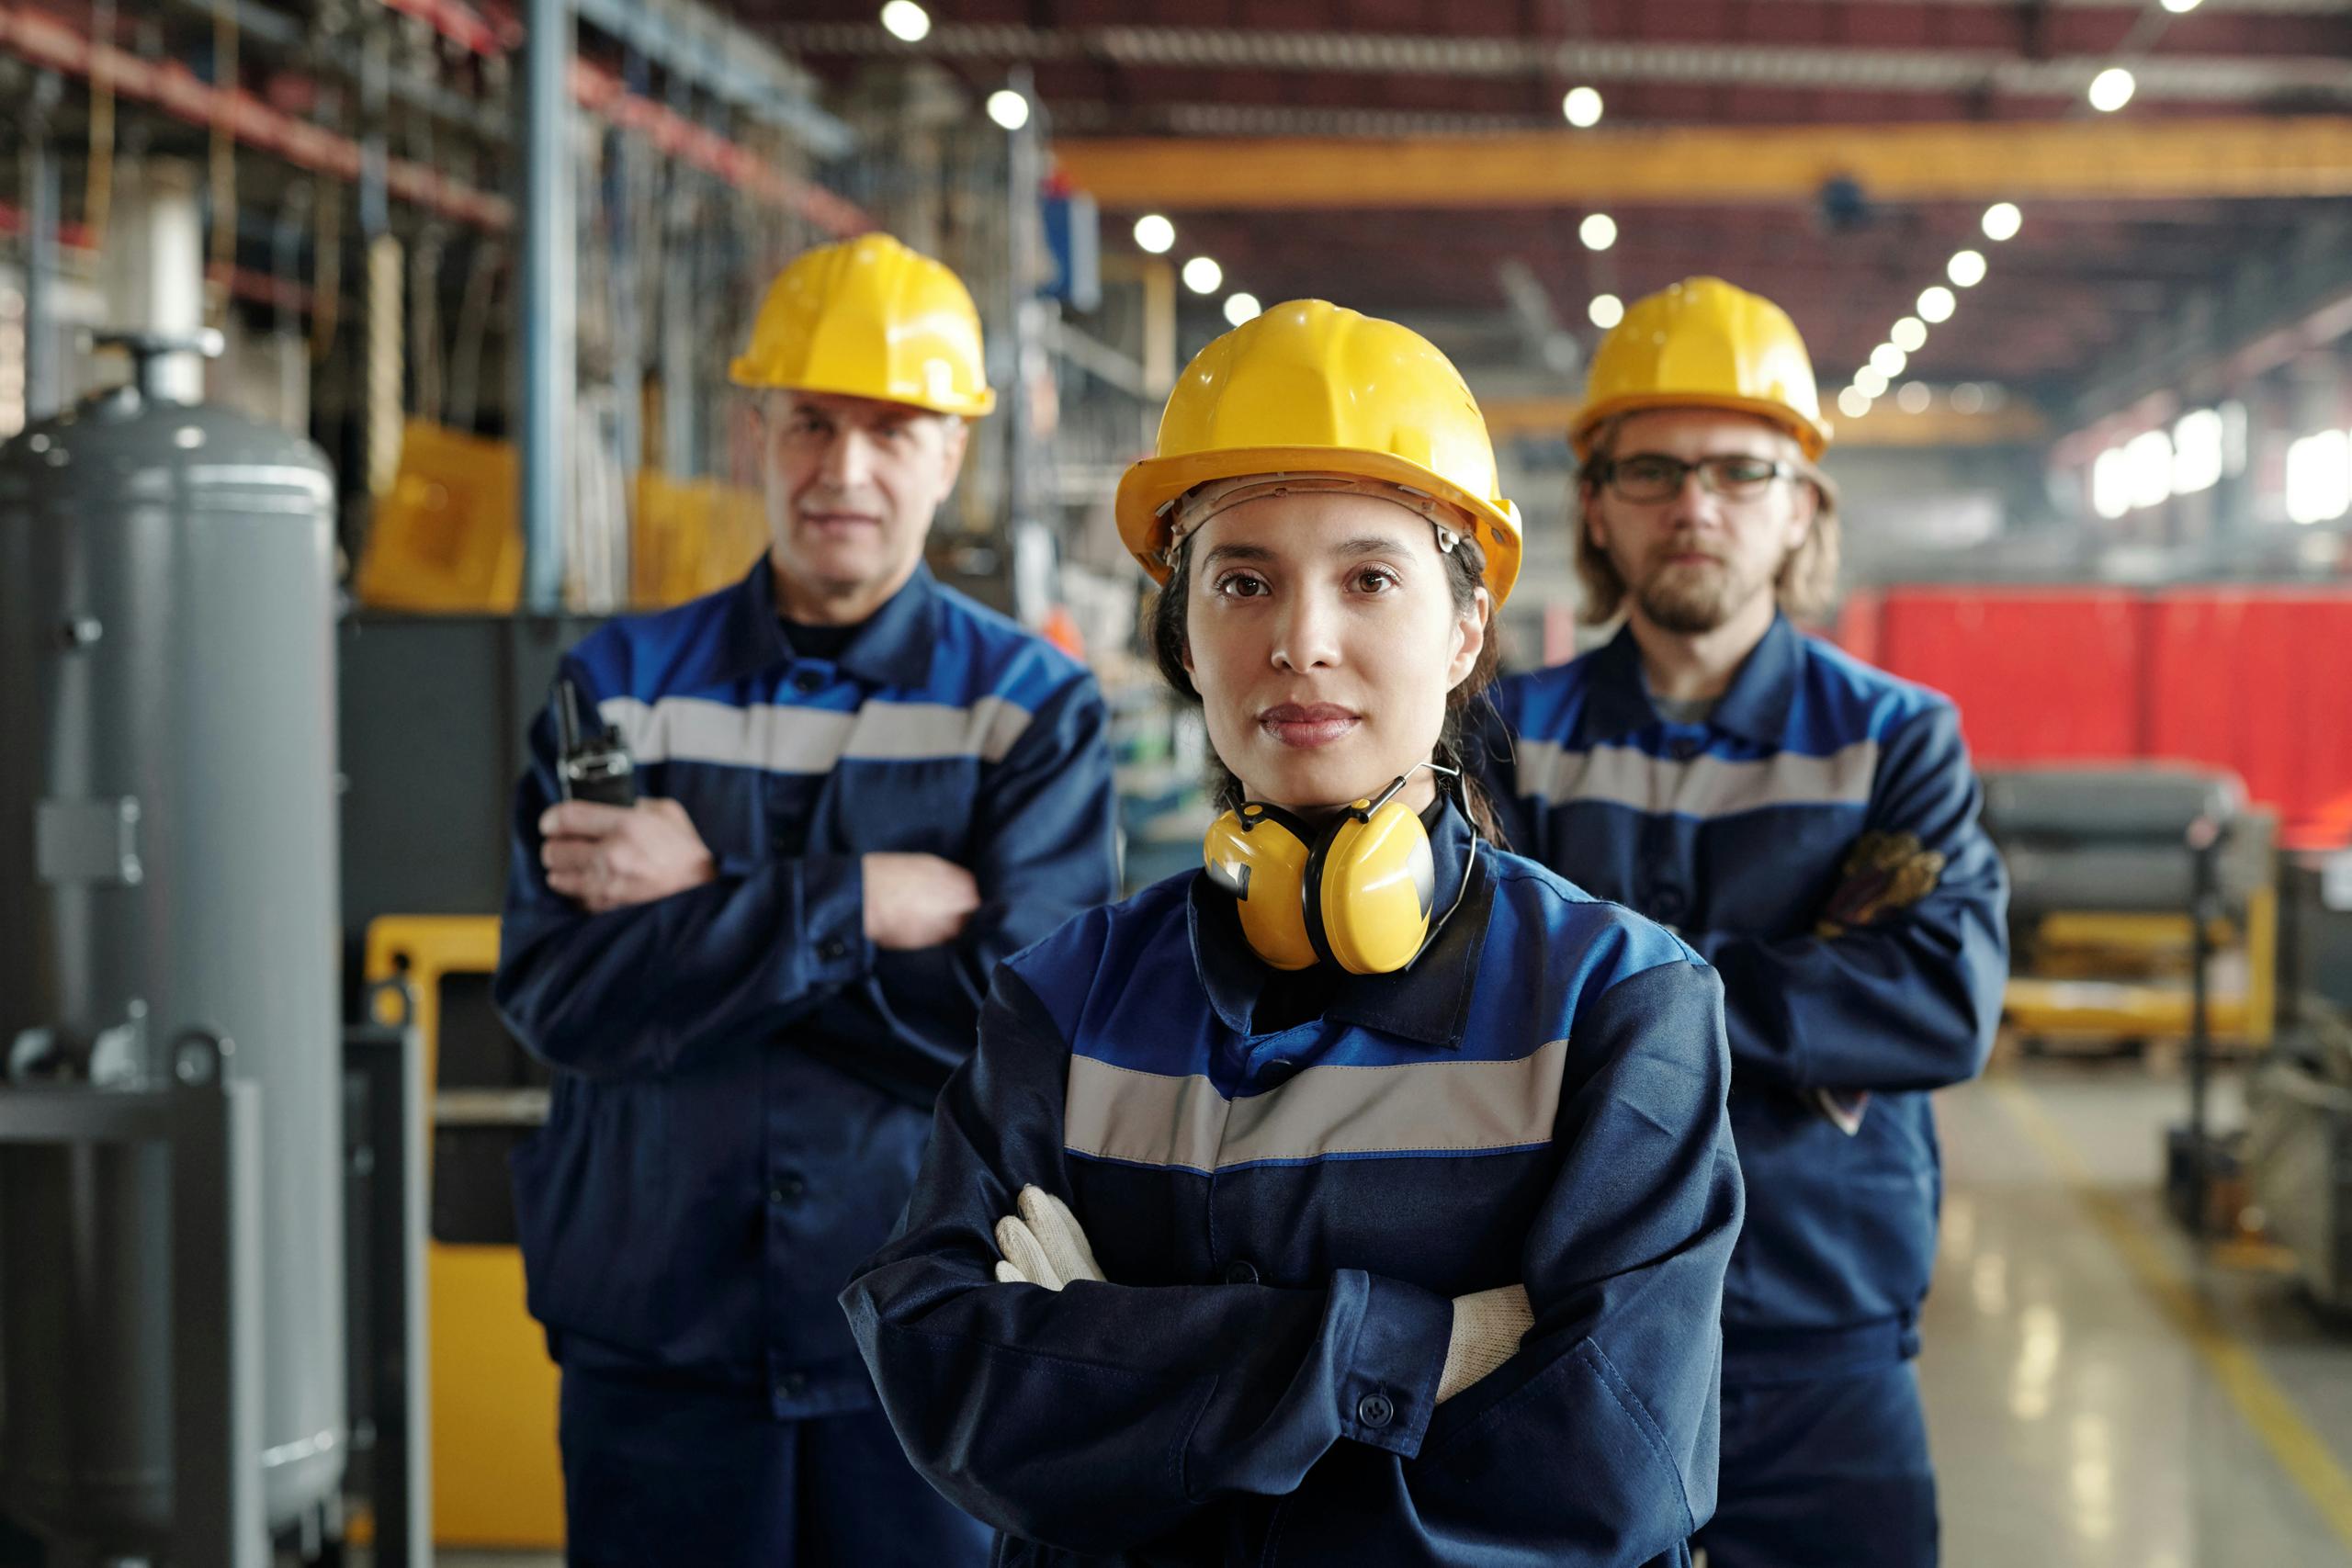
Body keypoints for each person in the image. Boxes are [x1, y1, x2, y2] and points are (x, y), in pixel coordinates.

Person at [842, 299, 1744, 1567]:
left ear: (1465, 630)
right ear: (1186, 638)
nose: (1300, 641)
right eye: (1243, 580)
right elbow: (952, 1383)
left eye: (1369, 578)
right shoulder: (1066, 1000)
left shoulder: (1617, 1005)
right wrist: (1415, 1354)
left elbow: (1602, 1471)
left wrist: (1120, 1349)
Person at [492, 231, 1120, 1567]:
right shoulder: (617, 686)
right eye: (813, 425)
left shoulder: (1027, 709)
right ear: (753, 434)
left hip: (925, 1335)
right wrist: (865, 904)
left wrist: (711, 904)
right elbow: (565, 998)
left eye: (893, 431)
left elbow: (1022, 1046)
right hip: (658, 1333)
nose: (846, 471)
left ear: (952, 452)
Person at [1472, 277, 2009, 1568]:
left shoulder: (1894, 739)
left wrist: (1613, 1012)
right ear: (1594, 502)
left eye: (1740, 471)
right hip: (1563, 1318)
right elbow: (1469, 1010)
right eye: (1651, 469)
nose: (1695, 505)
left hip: (1819, 1318)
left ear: (1798, 507)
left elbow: (1938, 996)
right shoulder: (1509, 735)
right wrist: (1800, 1008)